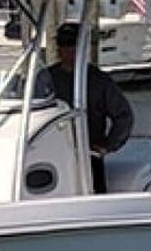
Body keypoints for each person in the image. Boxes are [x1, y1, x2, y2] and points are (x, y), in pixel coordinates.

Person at [47, 22, 134, 194]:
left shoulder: (99, 80)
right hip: (52, 154)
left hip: (89, 155)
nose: (68, 49)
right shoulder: (45, 78)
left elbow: (124, 116)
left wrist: (107, 145)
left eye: (72, 44)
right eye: (64, 44)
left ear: (82, 48)